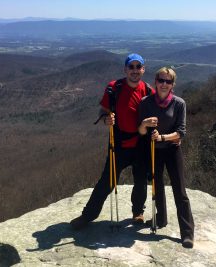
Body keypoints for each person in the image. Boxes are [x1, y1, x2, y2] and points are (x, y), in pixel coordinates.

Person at [70, 53, 156, 230]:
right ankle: (88, 215)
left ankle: (138, 212)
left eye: (137, 67)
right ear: (125, 69)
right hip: (119, 144)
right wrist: (106, 118)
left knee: (140, 180)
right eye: (131, 67)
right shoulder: (114, 88)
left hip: (141, 144)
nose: (134, 70)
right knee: (107, 182)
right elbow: (103, 110)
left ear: (143, 69)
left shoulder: (148, 91)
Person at [138, 67, 195, 248]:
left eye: (168, 81)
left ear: (173, 85)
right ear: (155, 81)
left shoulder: (179, 104)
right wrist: (144, 124)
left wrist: (162, 137)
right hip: (153, 150)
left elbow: (181, 133)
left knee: (180, 190)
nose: (164, 84)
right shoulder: (146, 102)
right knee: (157, 187)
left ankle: (187, 233)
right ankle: (161, 219)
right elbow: (140, 132)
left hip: (171, 150)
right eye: (161, 80)